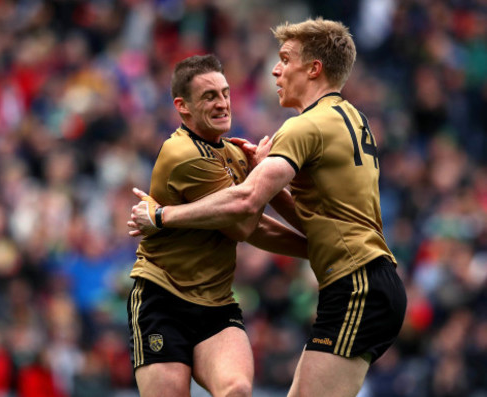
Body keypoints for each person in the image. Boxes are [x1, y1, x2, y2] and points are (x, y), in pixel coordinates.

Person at [128, 19, 407, 397]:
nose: (275, 69)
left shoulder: (303, 127)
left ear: (313, 69)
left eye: (285, 59)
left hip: (355, 282)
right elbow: (318, 220)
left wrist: (161, 216)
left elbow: (244, 210)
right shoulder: (355, 118)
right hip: (372, 278)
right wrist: (272, 185)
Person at [127, 54, 308, 397]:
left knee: (236, 390)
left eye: (225, 93)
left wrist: (314, 249)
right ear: (183, 107)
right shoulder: (183, 155)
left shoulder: (236, 154)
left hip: (217, 302)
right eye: (210, 96)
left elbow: (255, 223)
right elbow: (243, 227)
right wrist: (260, 175)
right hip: (162, 299)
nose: (223, 103)